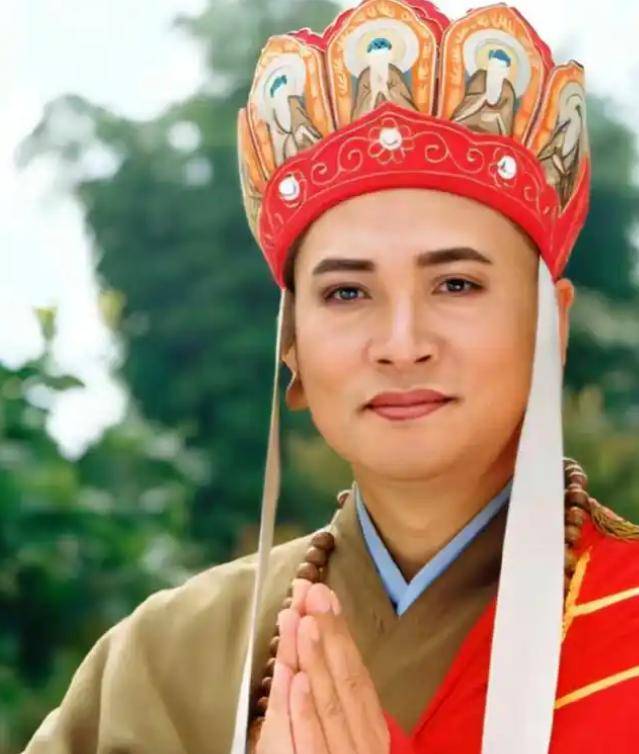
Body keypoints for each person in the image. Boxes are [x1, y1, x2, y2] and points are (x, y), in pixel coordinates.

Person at [23, 2, 639, 753]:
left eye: (456, 285)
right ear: (292, 346)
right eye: (347, 293)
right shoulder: (167, 662)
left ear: (552, 328)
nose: (402, 345)